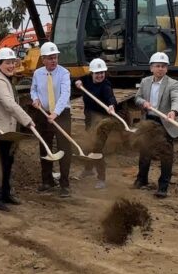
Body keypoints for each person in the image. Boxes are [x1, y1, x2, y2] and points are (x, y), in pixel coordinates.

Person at [0, 47, 36, 210]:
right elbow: (9, 105)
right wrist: (28, 121)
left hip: (5, 131)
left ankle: (6, 193)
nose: (11, 65)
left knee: (7, 162)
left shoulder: (6, 79)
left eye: (13, 62)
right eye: (7, 63)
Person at [134, 51, 178, 198]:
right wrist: (143, 102)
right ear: (151, 68)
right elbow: (137, 98)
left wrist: (174, 112)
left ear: (167, 69)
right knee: (144, 152)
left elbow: (177, 99)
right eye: (158, 66)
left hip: (165, 122)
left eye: (163, 66)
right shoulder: (145, 82)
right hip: (149, 121)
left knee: (166, 155)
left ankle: (163, 186)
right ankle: (141, 180)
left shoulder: (173, 84)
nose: (160, 68)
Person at [30, 41, 73, 197]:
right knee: (44, 147)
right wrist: (35, 99)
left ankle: (64, 184)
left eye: (55, 57)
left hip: (61, 115)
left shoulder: (64, 73)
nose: (53, 60)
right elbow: (33, 90)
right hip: (42, 114)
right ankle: (47, 180)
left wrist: (55, 113)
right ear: (43, 60)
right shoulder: (37, 73)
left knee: (64, 148)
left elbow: (65, 94)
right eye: (50, 58)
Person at [74, 58, 117, 188]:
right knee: (89, 143)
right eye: (97, 73)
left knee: (97, 148)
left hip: (103, 121)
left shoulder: (106, 85)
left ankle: (101, 178)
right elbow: (73, 80)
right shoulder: (86, 79)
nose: (100, 75)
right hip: (89, 117)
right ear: (91, 73)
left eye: (102, 73)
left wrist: (111, 105)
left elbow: (111, 97)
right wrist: (77, 82)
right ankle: (88, 170)